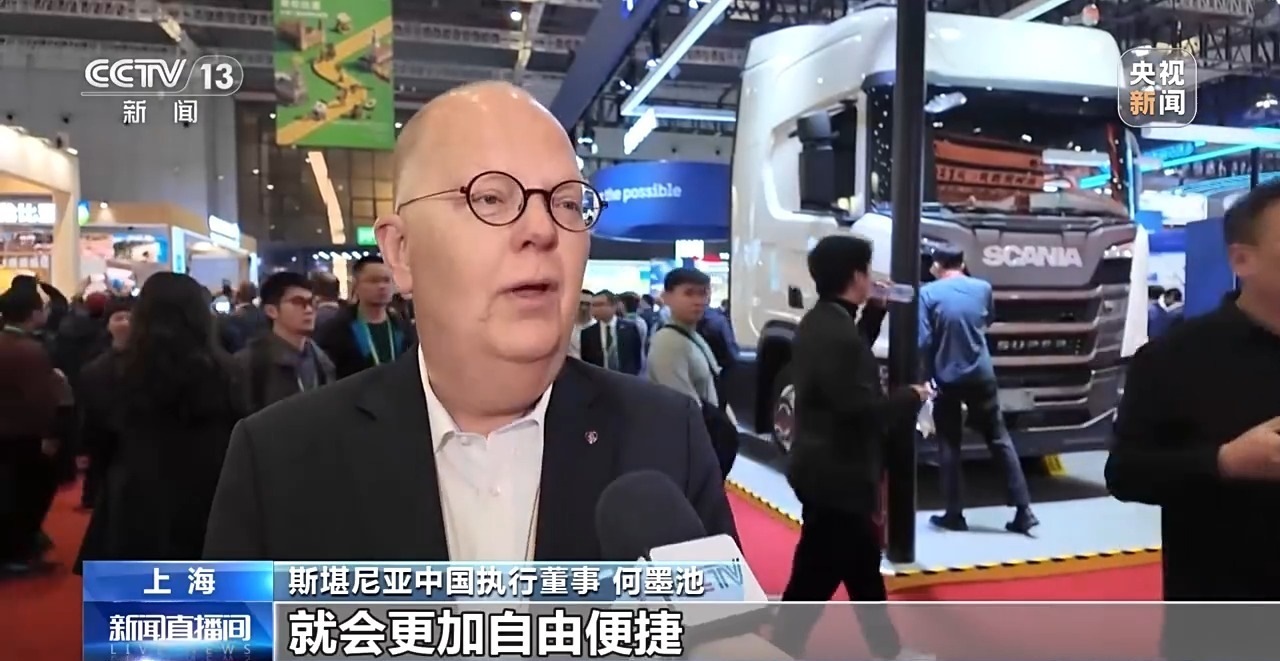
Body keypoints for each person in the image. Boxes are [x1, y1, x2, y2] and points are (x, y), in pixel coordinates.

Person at [203, 81, 735, 562]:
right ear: (401, 251)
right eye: (490, 198)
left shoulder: (669, 438)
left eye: (568, 204)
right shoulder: (278, 458)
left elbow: (722, 625)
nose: (542, 230)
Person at [1106, 180, 1280, 606]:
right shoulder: (1174, 358)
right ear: (1242, 259)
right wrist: (1223, 462)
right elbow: (1126, 473)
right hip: (1227, 604)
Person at [773, 235, 930, 661]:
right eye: (868, 270)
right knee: (817, 574)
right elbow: (862, 410)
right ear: (857, 275)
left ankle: (886, 649)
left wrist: (875, 312)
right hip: (837, 474)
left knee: (858, 566)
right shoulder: (837, 333)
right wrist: (913, 396)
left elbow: (848, 358)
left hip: (823, 468)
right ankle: (783, 645)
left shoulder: (821, 321)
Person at [75, 273, 243, 569]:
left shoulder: (105, 373)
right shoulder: (230, 372)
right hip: (212, 494)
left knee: (137, 594)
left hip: (134, 496)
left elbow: (96, 444)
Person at [920, 246, 1037, 535]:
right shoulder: (983, 288)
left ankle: (954, 514)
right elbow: (987, 320)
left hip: (947, 377)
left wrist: (924, 376)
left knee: (949, 443)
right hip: (982, 375)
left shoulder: (928, 294)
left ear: (936, 265)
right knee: (999, 438)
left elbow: (923, 340)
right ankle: (1024, 510)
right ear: (962, 263)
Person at [647, 268, 739, 477]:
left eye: (703, 293)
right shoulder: (668, 343)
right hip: (691, 453)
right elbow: (683, 408)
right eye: (689, 293)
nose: (698, 301)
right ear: (667, 297)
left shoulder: (692, 336)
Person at [0, 285, 60, 575]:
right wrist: (50, 434)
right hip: (23, 435)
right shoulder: (30, 350)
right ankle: (18, 552)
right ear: (34, 313)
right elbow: (40, 400)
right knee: (26, 494)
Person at [235, 271, 336, 415]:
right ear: (271, 311)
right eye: (298, 302)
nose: (308, 310)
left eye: (311, 302)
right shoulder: (250, 362)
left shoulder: (323, 361)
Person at [315, 255, 411, 379]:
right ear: (356, 285)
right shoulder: (336, 329)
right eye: (373, 281)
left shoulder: (403, 327)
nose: (382, 286)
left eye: (387, 280)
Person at [80, 296, 133, 511]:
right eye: (119, 318)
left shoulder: (152, 361)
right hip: (105, 433)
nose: (125, 323)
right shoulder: (95, 363)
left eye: (130, 318)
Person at [579, 289, 643, 375]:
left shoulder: (629, 328)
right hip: (599, 378)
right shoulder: (587, 333)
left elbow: (636, 357)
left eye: (599, 305)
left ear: (613, 306)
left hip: (625, 378)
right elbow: (586, 363)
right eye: (593, 305)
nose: (595, 309)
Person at [567, 289, 592, 359]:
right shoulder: (565, 327)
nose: (584, 308)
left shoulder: (597, 328)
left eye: (587, 304)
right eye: (581, 303)